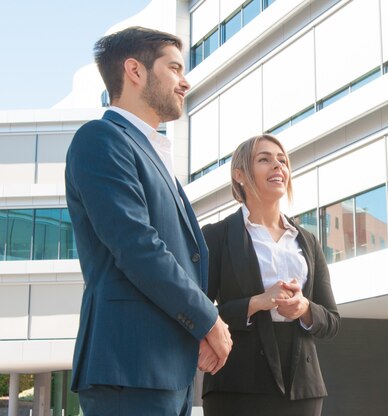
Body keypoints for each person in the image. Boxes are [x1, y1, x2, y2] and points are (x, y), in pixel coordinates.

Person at [65, 26, 232, 416]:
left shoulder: (153, 152)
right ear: (135, 70)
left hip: (165, 369)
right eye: (174, 68)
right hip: (128, 368)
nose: (185, 81)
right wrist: (209, 320)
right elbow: (138, 246)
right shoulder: (102, 139)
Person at [200, 134, 340, 416]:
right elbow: (198, 310)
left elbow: (332, 320)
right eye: (264, 159)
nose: (278, 166)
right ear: (239, 175)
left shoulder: (308, 241)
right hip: (236, 385)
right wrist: (257, 302)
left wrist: (304, 309)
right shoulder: (216, 236)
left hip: (302, 388)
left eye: (282, 161)